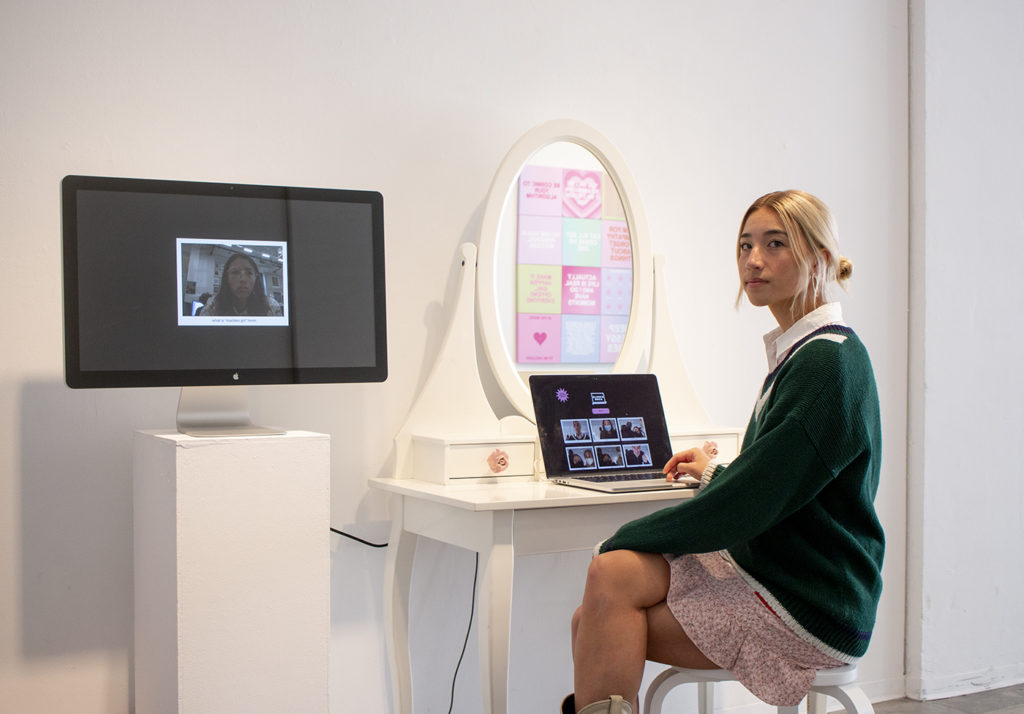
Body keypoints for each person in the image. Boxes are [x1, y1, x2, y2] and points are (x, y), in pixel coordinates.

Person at [561, 190, 884, 714]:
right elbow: (783, 481)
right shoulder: (808, 353)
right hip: (787, 573)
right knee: (599, 602)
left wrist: (625, 536)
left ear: (820, 260)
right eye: (745, 245)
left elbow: (752, 502)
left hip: (812, 602)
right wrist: (717, 471)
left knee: (606, 584)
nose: (753, 261)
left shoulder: (827, 364)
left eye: (775, 244)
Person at [199, 253, 283, 317]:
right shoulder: (212, 307)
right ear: (226, 278)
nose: (243, 279)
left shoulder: (271, 307)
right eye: (235, 272)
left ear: (256, 278)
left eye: (249, 273)